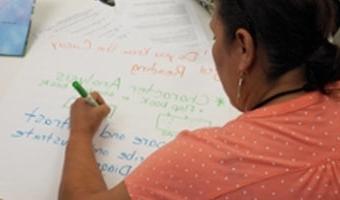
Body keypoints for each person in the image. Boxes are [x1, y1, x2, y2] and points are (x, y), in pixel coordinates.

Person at [58, 0, 340, 199]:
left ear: (244, 47)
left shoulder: (206, 161)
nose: (214, 50)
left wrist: (80, 133)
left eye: (214, 36)